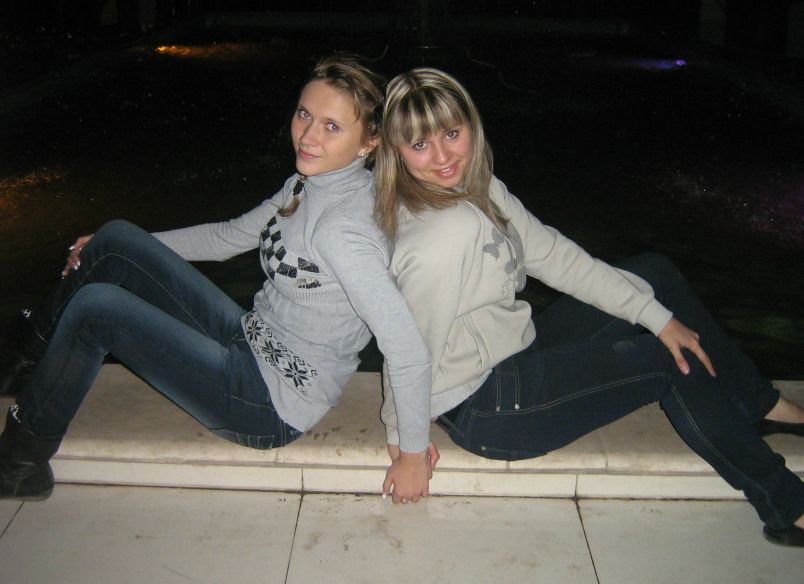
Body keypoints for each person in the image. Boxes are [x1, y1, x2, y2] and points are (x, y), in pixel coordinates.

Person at [373, 67, 804, 547]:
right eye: (420, 145)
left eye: (452, 134)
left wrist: (657, 317)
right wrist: (405, 445)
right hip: (489, 406)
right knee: (668, 361)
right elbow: (405, 348)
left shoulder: (479, 188)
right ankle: (787, 505)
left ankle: (758, 404)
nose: (443, 156)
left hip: (514, 351)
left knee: (653, 277)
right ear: (396, 151)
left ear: (471, 125)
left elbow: (556, 257)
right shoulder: (439, 237)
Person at [0, 55, 436, 504]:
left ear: (369, 141)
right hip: (248, 337)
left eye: (331, 127)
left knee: (97, 311)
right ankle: (26, 362)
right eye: (304, 114)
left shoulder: (344, 231)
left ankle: (18, 462)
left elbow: (406, 347)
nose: (308, 136)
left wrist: (412, 454)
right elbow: (229, 236)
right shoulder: (307, 184)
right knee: (115, 240)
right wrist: (117, 246)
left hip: (268, 402)